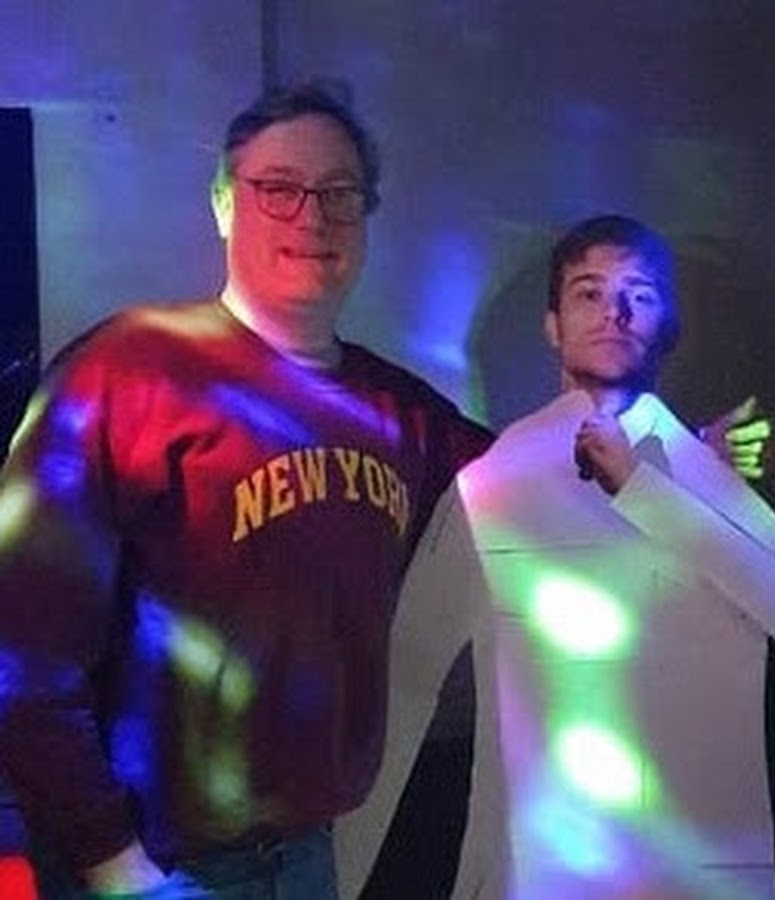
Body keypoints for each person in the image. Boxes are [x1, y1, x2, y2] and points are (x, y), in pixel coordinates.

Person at [0, 81, 494, 898]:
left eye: (339, 192)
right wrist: (112, 861)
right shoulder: (127, 373)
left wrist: (669, 461)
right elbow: (20, 645)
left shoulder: (400, 415)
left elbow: (539, 491)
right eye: (279, 188)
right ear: (225, 205)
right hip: (153, 868)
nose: (312, 217)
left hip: (310, 859)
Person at [333, 215, 775, 899]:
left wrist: (658, 492)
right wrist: (343, 873)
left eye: (638, 295)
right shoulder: (491, 486)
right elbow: (405, 688)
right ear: (553, 324)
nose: (614, 312)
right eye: (589, 292)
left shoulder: (700, 476)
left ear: (666, 326)